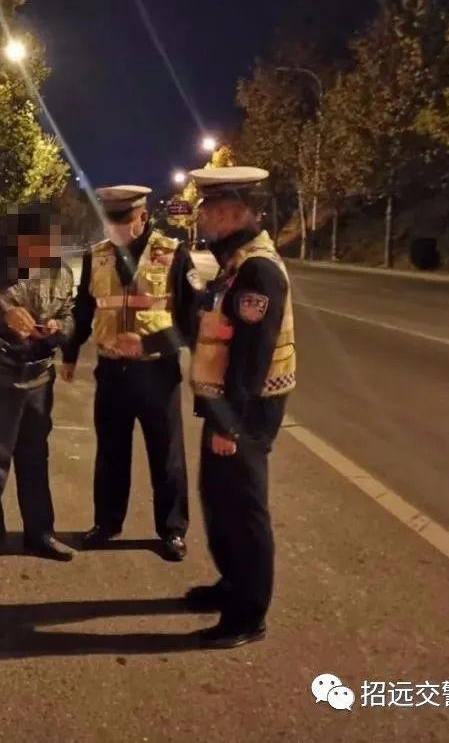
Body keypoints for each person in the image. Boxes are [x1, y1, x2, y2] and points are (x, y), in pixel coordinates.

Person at [183, 166, 296, 649]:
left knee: (244, 509)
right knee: (219, 498)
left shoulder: (257, 269)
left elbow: (252, 356)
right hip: (229, 407)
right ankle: (231, 584)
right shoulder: (236, 262)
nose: (201, 220)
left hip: (247, 411)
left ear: (231, 214)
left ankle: (249, 615)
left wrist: (228, 423)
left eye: (207, 211)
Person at [61, 185, 201, 562]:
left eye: (122, 221)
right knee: (111, 454)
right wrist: (70, 354)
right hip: (112, 373)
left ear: (142, 217)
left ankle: (172, 530)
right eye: (109, 221)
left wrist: (150, 343)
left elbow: (192, 322)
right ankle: (106, 523)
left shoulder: (173, 254)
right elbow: (84, 309)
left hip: (158, 373)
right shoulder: (97, 256)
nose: (115, 229)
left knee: (166, 455)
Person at [0, 203, 77, 575]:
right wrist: (0, 317)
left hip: (39, 379)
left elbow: (69, 314)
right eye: (36, 246)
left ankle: (40, 534)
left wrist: (60, 329)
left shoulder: (59, 271)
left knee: (34, 460)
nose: (44, 254)